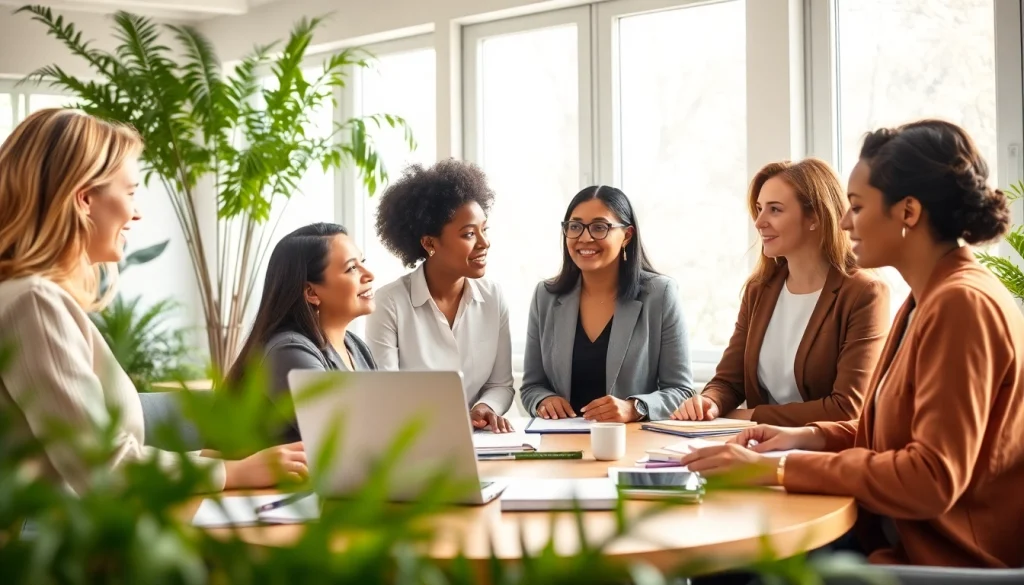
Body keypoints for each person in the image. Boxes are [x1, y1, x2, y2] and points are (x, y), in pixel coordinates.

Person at [680, 120, 1024, 569]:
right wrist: (806, 436)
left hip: (938, 557)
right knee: (722, 558)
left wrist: (778, 469)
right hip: (894, 534)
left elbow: (932, 476)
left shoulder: (960, 304)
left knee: (728, 563)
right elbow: (887, 437)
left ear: (909, 212)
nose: (843, 221)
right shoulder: (929, 296)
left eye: (857, 207)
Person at [0, 109, 305, 494]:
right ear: (84, 200)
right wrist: (234, 474)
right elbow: (102, 466)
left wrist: (225, 463)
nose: (137, 212)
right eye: (129, 193)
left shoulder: (20, 297)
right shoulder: (34, 303)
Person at [673, 159, 889, 426]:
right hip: (757, 448)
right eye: (759, 209)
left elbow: (846, 408)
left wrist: (750, 417)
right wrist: (711, 403)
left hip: (825, 455)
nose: (759, 222)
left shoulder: (864, 293)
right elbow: (730, 381)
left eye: (775, 210)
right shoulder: (759, 290)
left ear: (815, 217)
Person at [520, 185, 694, 422]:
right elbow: (532, 386)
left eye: (600, 227)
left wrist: (635, 408)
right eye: (575, 226)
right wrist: (543, 400)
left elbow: (681, 391)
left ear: (627, 236)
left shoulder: (660, 294)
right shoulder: (546, 296)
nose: (585, 237)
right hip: (562, 442)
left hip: (630, 443)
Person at [364, 160, 515, 433]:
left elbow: (500, 385)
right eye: (469, 234)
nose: (484, 242)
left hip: (478, 444)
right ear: (429, 243)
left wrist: (485, 408)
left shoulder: (493, 297)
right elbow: (384, 395)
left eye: (485, 229)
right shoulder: (389, 303)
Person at [226, 222, 377, 444]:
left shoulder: (356, 346)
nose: (369, 275)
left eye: (362, 263)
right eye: (352, 268)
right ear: (311, 292)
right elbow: (338, 440)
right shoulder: (289, 350)